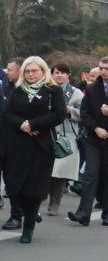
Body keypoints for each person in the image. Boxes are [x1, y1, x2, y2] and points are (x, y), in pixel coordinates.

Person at [0, 57, 66, 243]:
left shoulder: (53, 91)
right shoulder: (18, 90)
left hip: (41, 144)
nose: (30, 75)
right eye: (27, 71)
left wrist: (33, 124)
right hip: (18, 143)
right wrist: (22, 125)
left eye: (34, 71)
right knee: (14, 185)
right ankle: (28, 211)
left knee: (34, 188)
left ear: (43, 72)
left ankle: (28, 228)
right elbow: (7, 113)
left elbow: (58, 114)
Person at [68, 56, 108, 226]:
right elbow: (85, 113)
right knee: (90, 174)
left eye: (106, 69)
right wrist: (96, 128)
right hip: (94, 138)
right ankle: (83, 213)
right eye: (101, 68)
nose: (103, 72)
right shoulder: (92, 89)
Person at [48, 63, 83, 215]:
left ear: (69, 75)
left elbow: (85, 113)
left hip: (67, 136)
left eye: (63, 73)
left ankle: (55, 201)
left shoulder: (75, 93)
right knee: (47, 169)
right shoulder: (45, 89)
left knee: (60, 171)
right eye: (57, 72)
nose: (59, 75)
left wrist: (70, 111)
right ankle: (46, 196)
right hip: (48, 133)